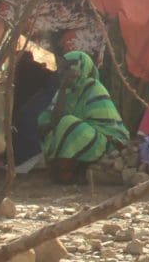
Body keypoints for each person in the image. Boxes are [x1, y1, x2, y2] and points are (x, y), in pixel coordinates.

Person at [37, 47, 128, 178]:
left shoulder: (93, 87)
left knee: (67, 123)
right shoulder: (64, 91)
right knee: (44, 119)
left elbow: (105, 127)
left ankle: (71, 169)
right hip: (77, 135)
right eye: (61, 69)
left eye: (68, 69)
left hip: (104, 140)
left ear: (81, 69)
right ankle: (65, 165)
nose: (62, 73)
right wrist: (62, 89)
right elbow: (53, 118)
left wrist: (60, 124)